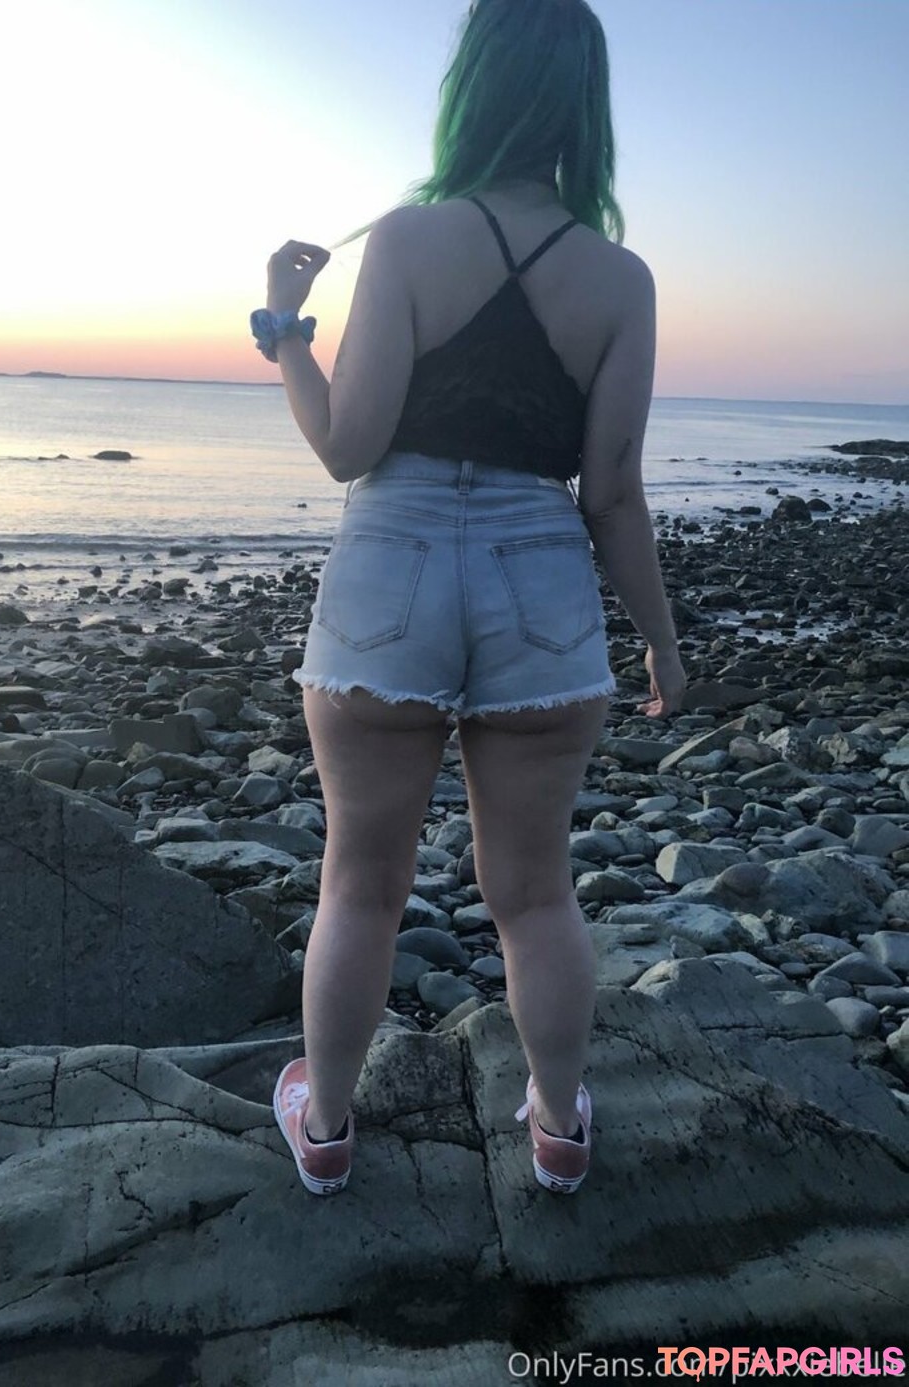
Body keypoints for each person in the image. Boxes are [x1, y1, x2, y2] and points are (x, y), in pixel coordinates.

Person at [253, 0, 687, 1197]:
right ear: (585, 108)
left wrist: (286, 333)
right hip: (538, 571)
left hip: (390, 560)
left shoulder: (409, 238)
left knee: (361, 882)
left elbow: (347, 446)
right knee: (535, 891)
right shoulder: (620, 279)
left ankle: (325, 1130)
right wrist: (660, 642)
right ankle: (557, 1127)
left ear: (472, 89)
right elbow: (613, 490)